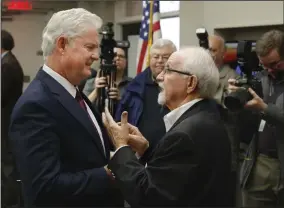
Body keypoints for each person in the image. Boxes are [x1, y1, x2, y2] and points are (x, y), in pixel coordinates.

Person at [9, 8, 123, 207]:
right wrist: (111, 173)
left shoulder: (73, 92)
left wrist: (123, 149)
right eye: (89, 47)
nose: (97, 56)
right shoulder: (36, 105)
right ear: (62, 44)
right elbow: (44, 187)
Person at [103, 46, 232, 207]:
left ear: (191, 83)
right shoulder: (206, 115)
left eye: (168, 70)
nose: (160, 77)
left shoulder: (186, 134)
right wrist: (145, 151)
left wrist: (121, 147)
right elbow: (174, 180)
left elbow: (148, 197)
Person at [229, 30, 284, 207]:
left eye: (275, 64)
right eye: (264, 65)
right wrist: (238, 98)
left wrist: (265, 109)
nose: (269, 70)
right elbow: (243, 124)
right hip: (260, 163)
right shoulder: (260, 78)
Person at [115, 39, 176, 163]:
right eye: (156, 56)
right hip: (139, 157)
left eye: (165, 57)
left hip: (171, 155)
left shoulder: (181, 86)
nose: (160, 61)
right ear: (150, 59)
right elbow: (120, 120)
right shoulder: (135, 87)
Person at [1, 29, 24, 207]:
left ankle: (10, 203)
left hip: (6, 121)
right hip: (7, 119)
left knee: (7, 166)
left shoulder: (7, 64)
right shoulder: (8, 62)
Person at [83, 47, 132, 113]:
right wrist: (97, 91)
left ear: (126, 62)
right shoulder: (91, 82)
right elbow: (82, 108)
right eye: (114, 55)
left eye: (121, 56)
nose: (117, 58)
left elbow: (135, 111)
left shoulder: (132, 84)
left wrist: (119, 99)